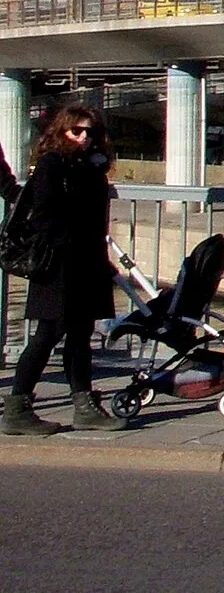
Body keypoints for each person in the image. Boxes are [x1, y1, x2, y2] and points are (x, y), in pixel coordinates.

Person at [1, 106, 123, 434]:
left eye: (90, 132)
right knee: (48, 333)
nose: (84, 137)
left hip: (87, 262)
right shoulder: (53, 163)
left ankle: (84, 405)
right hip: (60, 265)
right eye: (76, 131)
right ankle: (17, 408)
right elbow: (43, 216)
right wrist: (67, 245)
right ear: (62, 132)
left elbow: (94, 219)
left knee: (82, 334)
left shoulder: (90, 167)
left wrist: (97, 257)